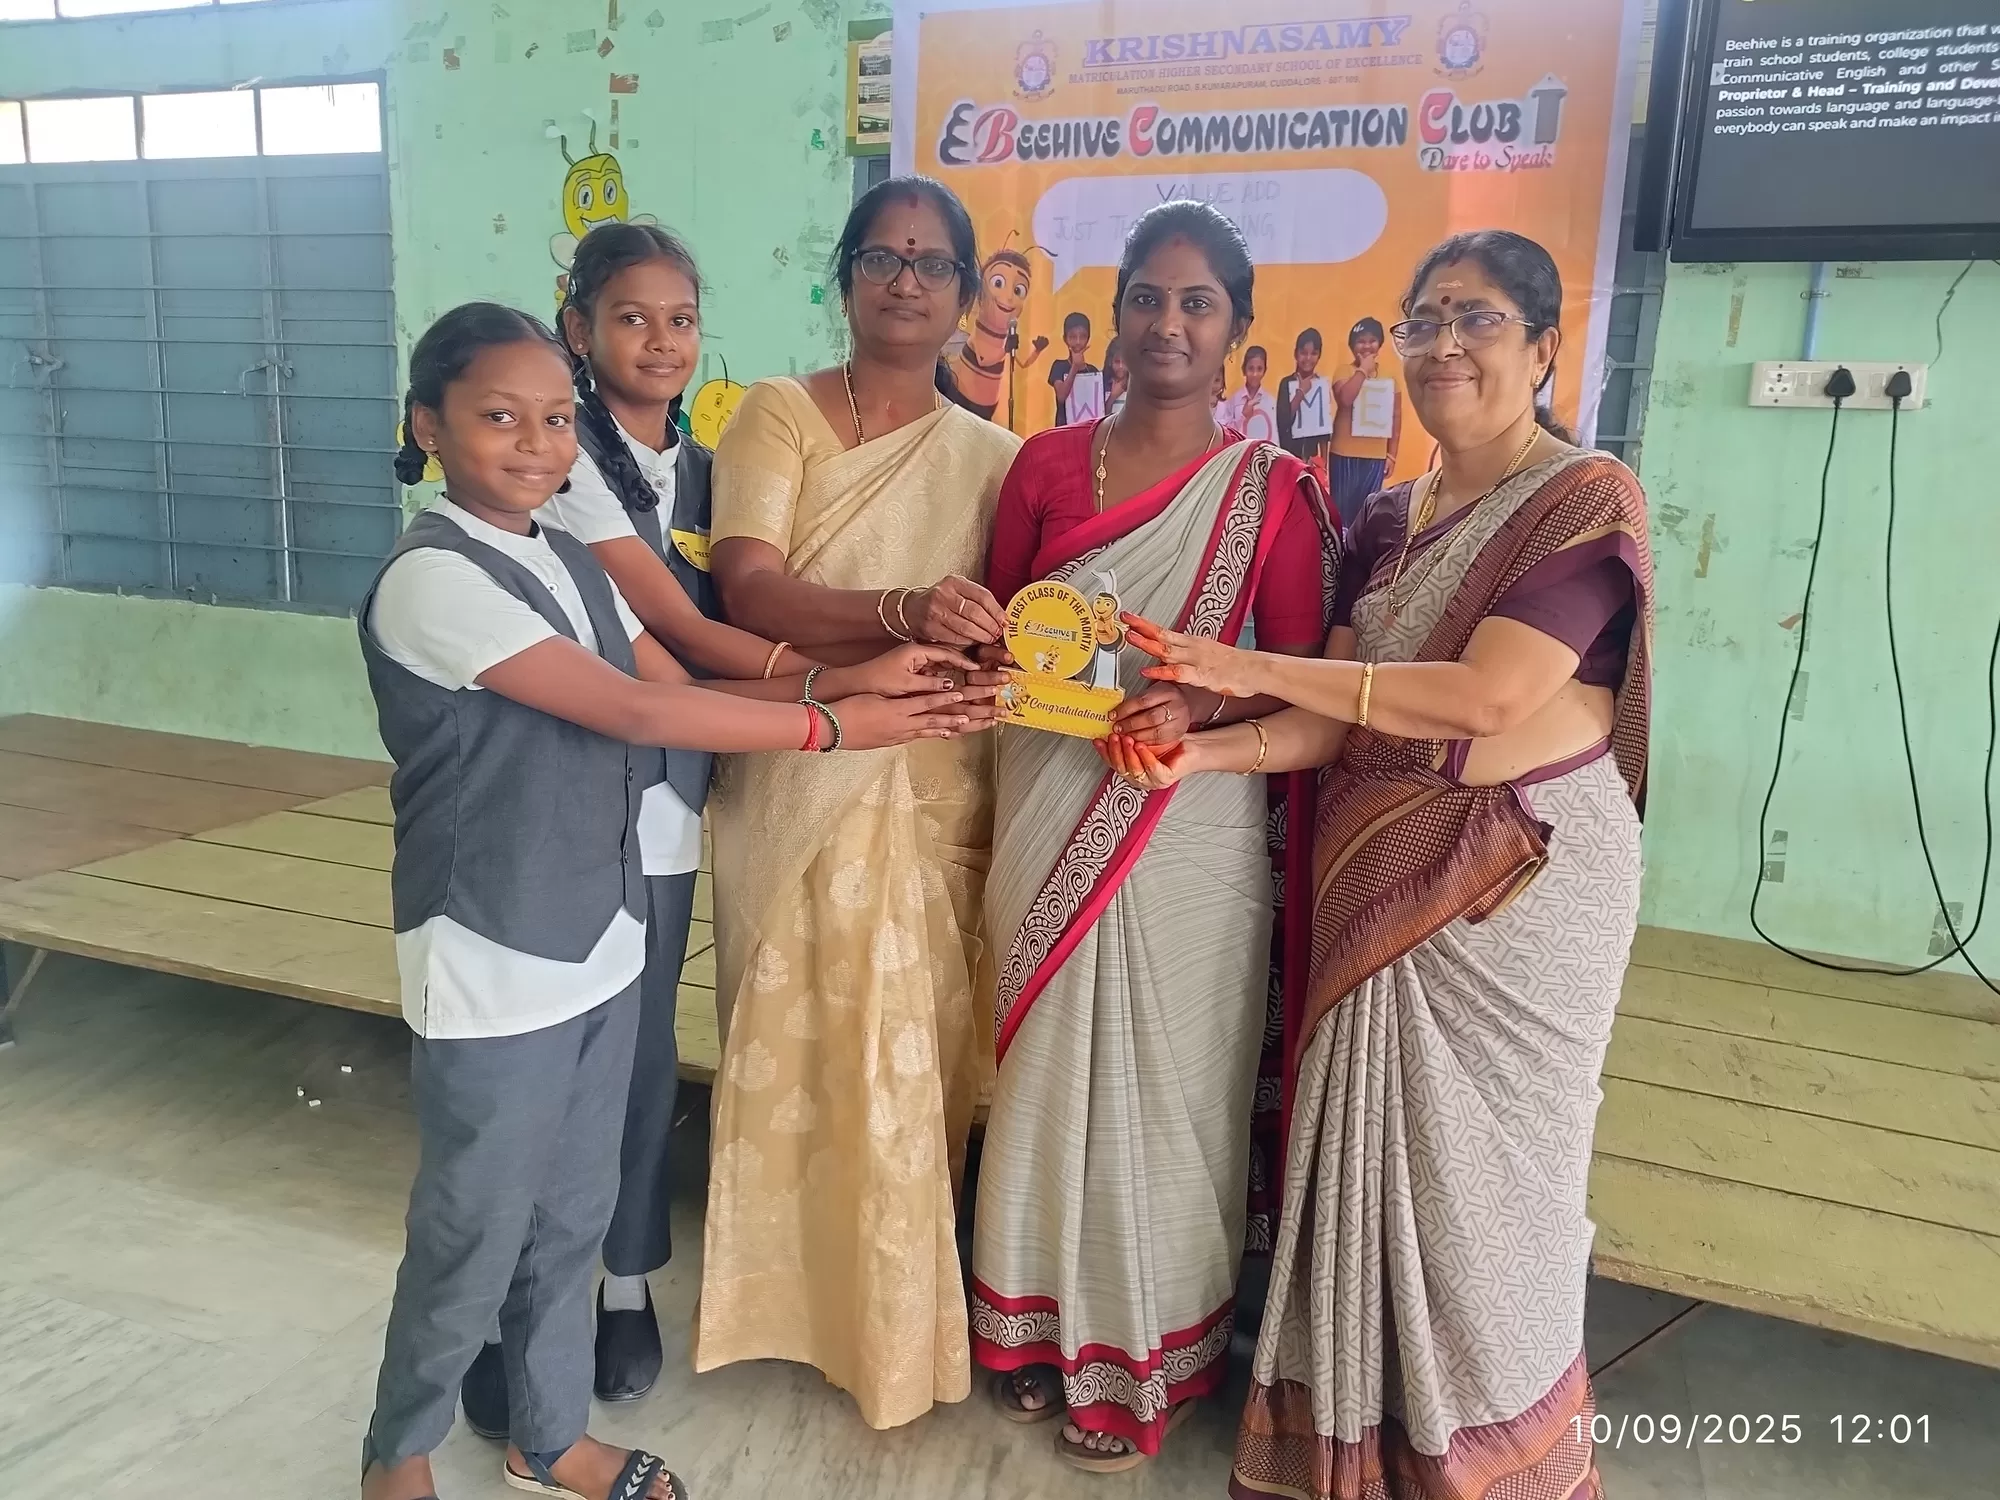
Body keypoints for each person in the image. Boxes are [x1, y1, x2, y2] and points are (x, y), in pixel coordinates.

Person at [360, 303, 974, 1500]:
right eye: (499, 417)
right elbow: (633, 710)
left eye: (553, 420)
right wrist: (840, 726)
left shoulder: (560, 555)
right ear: (428, 425)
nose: (536, 444)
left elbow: (679, 673)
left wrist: (859, 679)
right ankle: (400, 1454)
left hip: (597, 932)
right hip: (491, 950)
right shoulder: (431, 580)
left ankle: (547, 1437)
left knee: (572, 1211)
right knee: (474, 1224)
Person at [1107, 230, 1653, 1500]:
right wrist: (1202, 751)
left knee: (1494, 1209)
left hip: (1515, 900)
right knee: (1365, 1189)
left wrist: (1240, 665)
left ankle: (1499, 1466)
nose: (1442, 345)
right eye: (1421, 322)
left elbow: (1483, 697)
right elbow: (1334, 721)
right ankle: (1360, 1456)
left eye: (1476, 319)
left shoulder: (1583, 498)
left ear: (1541, 348)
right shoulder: (1383, 520)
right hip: (1375, 893)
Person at [451, 221, 870, 1435]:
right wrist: (837, 692)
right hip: (567, 790)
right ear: (576, 326)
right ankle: (510, 1308)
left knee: (636, 1062)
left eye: (679, 319)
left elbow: (741, 610)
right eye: (629, 317)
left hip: (672, 798)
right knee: (543, 1068)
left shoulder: (712, 469)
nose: (659, 341)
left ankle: (624, 1281)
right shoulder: (560, 457)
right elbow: (673, 645)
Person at [974, 200, 1339, 1474]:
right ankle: (1029, 1328)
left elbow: (1292, 674)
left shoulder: (1269, 493)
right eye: (1145, 297)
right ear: (1115, 312)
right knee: (1042, 1069)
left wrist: (1191, 704)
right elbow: (1002, 636)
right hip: (1045, 794)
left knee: (1171, 1090)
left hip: (1188, 818)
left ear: (1235, 329)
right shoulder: (1040, 466)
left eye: (1196, 303)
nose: (1166, 323)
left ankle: (1149, 1358)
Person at [700, 175, 1022, 1430]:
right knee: (798, 1041)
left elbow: (1013, 634)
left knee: (910, 1058)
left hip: (934, 778)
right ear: (842, 278)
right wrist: (900, 612)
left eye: (932, 264)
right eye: (881, 258)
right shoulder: (776, 415)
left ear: (963, 295)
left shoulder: (994, 461)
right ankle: (777, 1302)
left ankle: (892, 1317)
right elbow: (748, 589)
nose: (904, 281)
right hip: (798, 767)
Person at [1328, 316, 1405, 528]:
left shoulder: (1390, 377)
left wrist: (1391, 454)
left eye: (1372, 340)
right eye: (1361, 341)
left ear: (1380, 344)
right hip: (1344, 454)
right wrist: (1362, 370)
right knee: (1340, 515)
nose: (1366, 345)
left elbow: (1396, 416)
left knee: (1366, 515)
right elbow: (1345, 399)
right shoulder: (1344, 371)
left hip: (1375, 456)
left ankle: (1360, 550)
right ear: (1352, 346)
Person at [1275, 327, 1332, 476]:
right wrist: (1300, 393)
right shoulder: (1286, 384)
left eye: (1313, 353)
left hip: (1312, 460)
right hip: (1289, 457)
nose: (1308, 358)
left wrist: (1324, 464)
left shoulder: (1321, 385)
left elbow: (1324, 433)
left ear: (1319, 356)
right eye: (1303, 352)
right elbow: (1283, 420)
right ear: (1296, 354)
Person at [1047, 310, 1099, 426]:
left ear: (1088, 338)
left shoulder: (1093, 372)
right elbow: (1061, 396)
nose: (1078, 342)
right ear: (1065, 339)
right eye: (1073, 337)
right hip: (1064, 429)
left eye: (1083, 336)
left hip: (1086, 429)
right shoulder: (1059, 366)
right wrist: (1075, 367)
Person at [1221, 344, 1278, 443]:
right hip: (1241, 450)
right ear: (1244, 369)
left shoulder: (1270, 402)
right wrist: (1243, 415)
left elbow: (1274, 435)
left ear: (1265, 371)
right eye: (1251, 368)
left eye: (1259, 369)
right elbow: (1227, 433)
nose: (1255, 374)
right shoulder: (1234, 401)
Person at [1103, 338, 1130, 417]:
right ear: (1110, 362)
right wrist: (1112, 397)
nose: (1120, 366)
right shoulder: (1102, 384)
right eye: (1117, 362)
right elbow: (1101, 417)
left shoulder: (1137, 385)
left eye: (1124, 362)